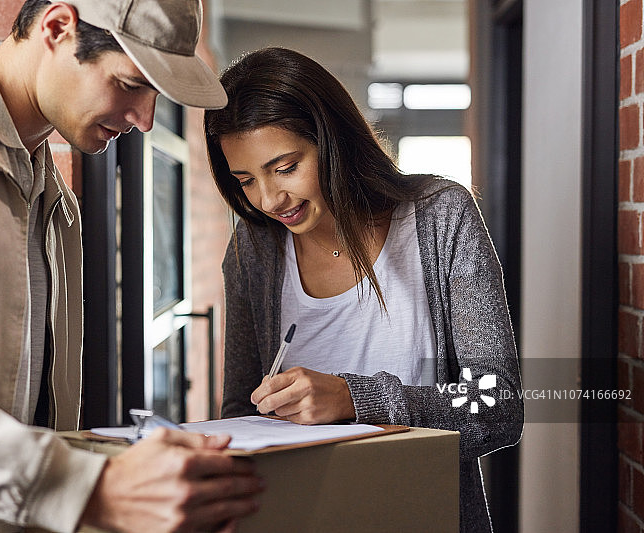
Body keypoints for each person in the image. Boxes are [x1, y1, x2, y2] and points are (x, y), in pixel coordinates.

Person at [0, 1, 264, 532]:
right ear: (59, 27)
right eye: (131, 84)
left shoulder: (58, 202)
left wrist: (132, 470)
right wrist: (84, 486)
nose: (144, 119)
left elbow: (32, 420)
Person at [204, 47, 523, 533]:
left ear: (333, 141)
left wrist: (356, 399)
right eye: (245, 180)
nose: (268, 199)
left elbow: (498, 406)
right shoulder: (254, 248)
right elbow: (240, 412)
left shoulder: (441, 217)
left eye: (285, 167)